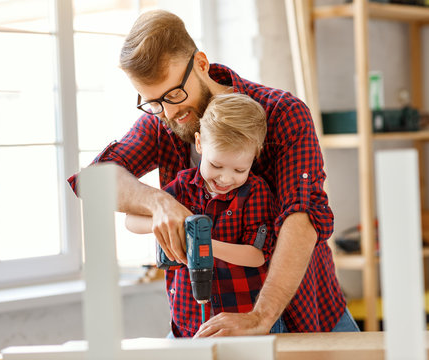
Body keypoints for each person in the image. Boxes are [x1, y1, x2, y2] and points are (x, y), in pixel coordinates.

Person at [68, 9, 358, 336]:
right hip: (198, 324)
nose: (169, 112)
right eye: (153, 102)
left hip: (298, 317)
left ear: (202, 64)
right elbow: (94, 180)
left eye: (175, 94)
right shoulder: (163, 121)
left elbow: (301, 220)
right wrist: (158, 204)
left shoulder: (282, 113)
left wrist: (261, 316)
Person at [125, 93, 276, 337]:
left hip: (238, 322)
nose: (226, 179)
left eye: (239, 169)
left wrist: (203, 244)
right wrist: (168, 221)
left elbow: (257, 255)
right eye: (216, 165)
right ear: (199, 144)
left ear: (255, 154)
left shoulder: (255, 192)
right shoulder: (183, 185)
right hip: (187, 320)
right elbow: (130, 221)